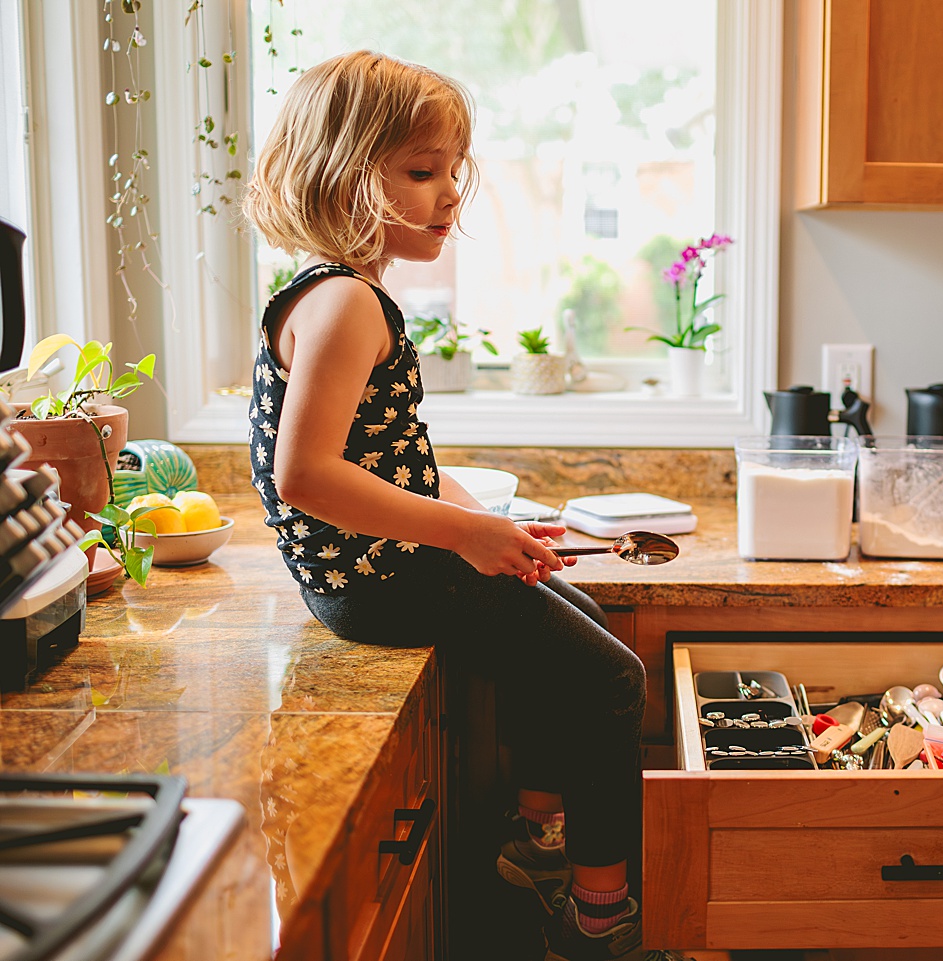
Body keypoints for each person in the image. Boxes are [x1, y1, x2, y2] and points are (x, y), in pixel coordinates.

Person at [242, 51, 678, 961]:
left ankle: (537, 833)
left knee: (578, 617)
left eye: (452, 171)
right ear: (345, 175)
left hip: (374, 569)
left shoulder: (335, 292)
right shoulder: (349, 303)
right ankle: (597, 914)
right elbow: (307, 475)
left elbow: (390, 457)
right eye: (421, 171)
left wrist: (492, 523)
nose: (450, 195)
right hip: (377, 581)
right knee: (611, 678)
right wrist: (466, 535)